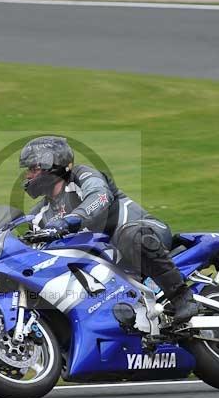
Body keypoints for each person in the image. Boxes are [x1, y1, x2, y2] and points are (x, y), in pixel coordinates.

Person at [20, 136, 200, 327]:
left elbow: (100, 196)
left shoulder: (83, 177)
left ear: (52, 166)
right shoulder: (41, 215)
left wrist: (70, 220)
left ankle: (182, 297)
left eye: (33, 169)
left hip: (144, 234)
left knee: (131, 236)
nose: (28, 176)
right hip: (108, 262)